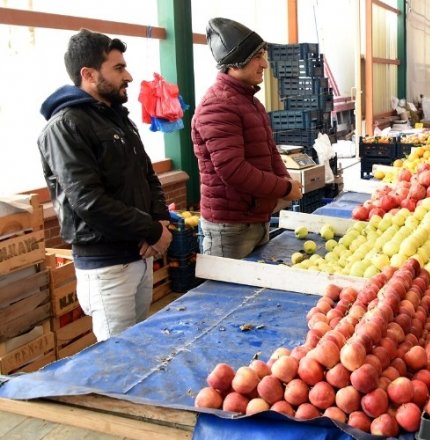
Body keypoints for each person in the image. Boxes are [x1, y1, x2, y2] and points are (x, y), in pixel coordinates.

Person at [38, 29, 173, 341]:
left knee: (139, 344)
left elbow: (147, 175)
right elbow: (88, 200)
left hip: (140, 254)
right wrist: (152, 230)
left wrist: (161, 219)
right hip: (107, 267)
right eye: (118, 68)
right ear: (88, 74)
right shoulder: (65, 126)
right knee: (121, 359)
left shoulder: (119, 120)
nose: (128, 75)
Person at [192, 18, 302, 259]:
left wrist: (284, 177)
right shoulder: (217, 106)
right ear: (235, 62)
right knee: (230, 295)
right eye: (257, 57)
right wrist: (283, 188)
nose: (264, 63)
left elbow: (269, 151)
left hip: (255, 219)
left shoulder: (250, 102)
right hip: (230, 228)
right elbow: (233, 170)